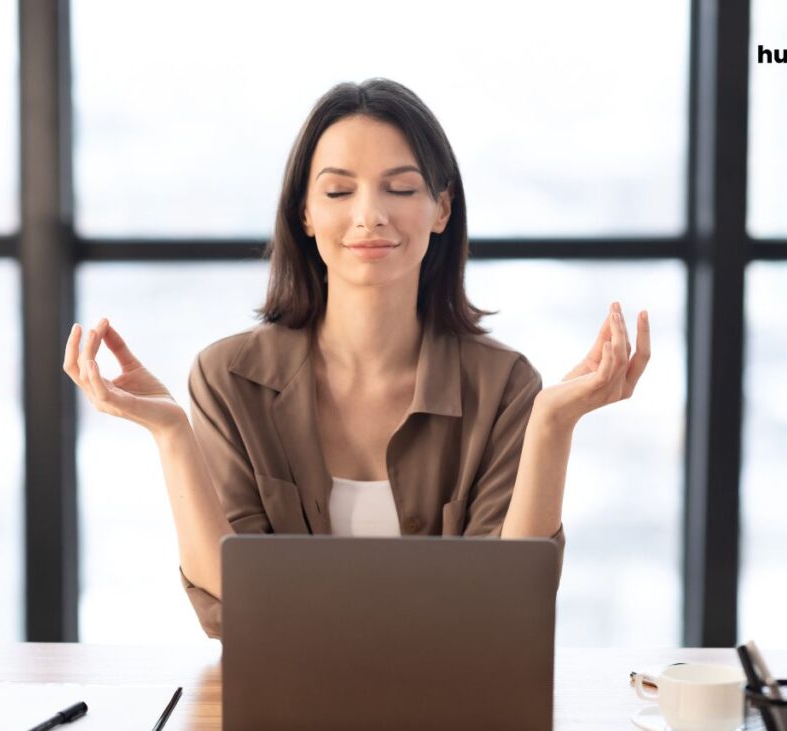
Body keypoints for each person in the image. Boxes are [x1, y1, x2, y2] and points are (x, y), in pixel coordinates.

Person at [62, 78, 650, 638]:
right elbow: (235, 600)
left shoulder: (505, 385)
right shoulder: (229, 378)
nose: (370, 215)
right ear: (305, 213)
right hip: (287, 696)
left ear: (442, 209)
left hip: (452, 699)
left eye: (402, 189)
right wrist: (171, 434)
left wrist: (553, 423)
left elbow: (507, 606)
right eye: (339, 192)